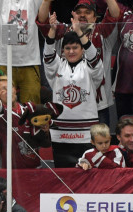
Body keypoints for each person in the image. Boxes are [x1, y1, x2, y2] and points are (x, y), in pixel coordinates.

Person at [37, 0, 120, 125]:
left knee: (99, 142)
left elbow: (115, 15)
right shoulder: (64, 32)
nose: (82, 15)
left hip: (99, 103)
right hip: (68, 101)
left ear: (95, 17)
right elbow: (43, 20)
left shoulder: (102, 32)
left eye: (87, 12)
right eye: (79, 12)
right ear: (73, 15)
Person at [43, 15, 103, 168]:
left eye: (75, 47)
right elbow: (48, 56)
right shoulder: (58, 66)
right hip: (60, 134)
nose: (71, 51)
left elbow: (94, 57)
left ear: (82, 49)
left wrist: (79, 33)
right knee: (64, 176)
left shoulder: (90, 68)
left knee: (87, 177)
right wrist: (52, 30)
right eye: (67, 48)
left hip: (86, 135)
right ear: (62, 50)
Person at [0, 76, 63, 168]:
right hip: (13, 173)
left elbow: (42, 142)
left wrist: (45, 131)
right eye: (3, 89)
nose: (8, 91)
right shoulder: (0, 114)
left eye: (10, 87)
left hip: (36, 168)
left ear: (15, 89)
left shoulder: (30, 109)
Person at [0, 0, 45, 104]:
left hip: (30, 63)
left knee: (31, 107)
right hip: (5, 63)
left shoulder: (32, 1)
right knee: (4, 105)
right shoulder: (2, 2)